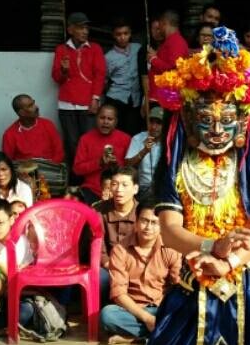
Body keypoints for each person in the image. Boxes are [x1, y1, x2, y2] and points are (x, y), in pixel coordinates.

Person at [149, 27, 250, 345]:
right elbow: (168, 230)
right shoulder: (177, 166)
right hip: (198, 274)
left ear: (243, 121)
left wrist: (230, 262)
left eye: (227, 119)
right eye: (207, 119)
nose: (218, 129)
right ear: (191, 122)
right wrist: (211, 247)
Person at [101, 202, 182, 344]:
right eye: (144, 221)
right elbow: (119, 294)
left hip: (161, 308)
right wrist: (147, 318)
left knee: (186, 312)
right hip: (133, 310)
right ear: (136, 222)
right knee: (107, 315)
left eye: (154, 223)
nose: (148, 227)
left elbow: (178, 285)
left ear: (161, 225)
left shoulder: (170, 248)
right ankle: (158, 334)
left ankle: (139, 338)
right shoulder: (120, 250)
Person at [52, 12, 106, 174]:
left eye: (86, 28)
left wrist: (95, 98)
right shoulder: (61, 49)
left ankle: (90, 178)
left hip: (87, 103)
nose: (85, 31)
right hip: (67, 104)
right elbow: (56, 77)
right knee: (71, 143)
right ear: (70, 29)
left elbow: (100, 75)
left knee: (88, 142)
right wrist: (63, 70)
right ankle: (75, 180)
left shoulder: (95, 49)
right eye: (81, 28)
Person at [92, 166, 141, 300]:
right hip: (109, 266)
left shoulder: (142, 212)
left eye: (125, 185)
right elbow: (98, 248)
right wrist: (111, 266)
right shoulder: (99, 211)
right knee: (99, 277)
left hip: (137, 266)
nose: (119, 190)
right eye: (115, 184)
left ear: (135, 189)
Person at [73, 104, 131, 204]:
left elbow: (131, 169)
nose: (105, 122)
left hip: (118, 190)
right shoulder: (86, 139)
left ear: (116, 121)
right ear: (96, 119)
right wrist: (99, 162)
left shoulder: (126, 139)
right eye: (102, 118)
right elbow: (77, 169)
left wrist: (116, 165)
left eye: (110, 119)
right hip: (91, 190)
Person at [105, 21, 143, 136]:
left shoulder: (138, 48)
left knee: (133, 133)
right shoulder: (108, 57)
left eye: (125, 33)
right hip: (116, 99)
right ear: (113, 35)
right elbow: (104, 79)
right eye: (118, 34)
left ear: (130, 33)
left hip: (135, 100)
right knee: (117, 133)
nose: (122, 37)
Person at [1, 94, 63, 163]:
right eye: (30, 106)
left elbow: (59, 152)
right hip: (24, 171)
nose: (36, 107)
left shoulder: (48, 124)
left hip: (51, 169)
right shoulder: (9, 134)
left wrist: (50, 168)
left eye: (33, 103)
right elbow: (7, 162)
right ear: (22, 113)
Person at [124, 106, 163, 193]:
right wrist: (144, 151)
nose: (153, 127)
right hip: (142, 188)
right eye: (151, 122)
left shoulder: (169, 141)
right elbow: (128, 165)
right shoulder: (138, 138)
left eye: (158, 123)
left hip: (162, 188)